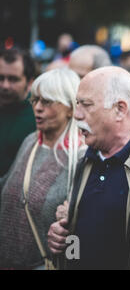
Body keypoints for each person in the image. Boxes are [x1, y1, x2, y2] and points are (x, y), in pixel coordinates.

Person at [47, 66, 130, 270]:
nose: (76, 115)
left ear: (120, 109)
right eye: (76, 104)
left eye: (85, 105)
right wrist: (61, 238)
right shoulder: (84, 156)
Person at [0, 68, 85, 269]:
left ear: (71, 108)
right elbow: (8, 187)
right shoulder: (31, 141)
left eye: (47, 102)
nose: (38, 108)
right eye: (35, 100)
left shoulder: (81, 156)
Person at [0, 47, 37, 177]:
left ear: (30, 82)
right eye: (1, 78)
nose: (5, 85)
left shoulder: (39, 114)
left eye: (13, 79)